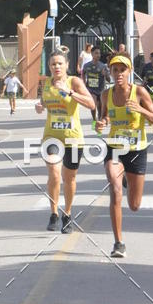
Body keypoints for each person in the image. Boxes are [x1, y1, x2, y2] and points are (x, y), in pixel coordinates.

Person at [96, 53, 153, 258]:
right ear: (111, 73)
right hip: (115, 147)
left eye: (122, 70)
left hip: (137, 150)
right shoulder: (106, 95)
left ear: (129, 71)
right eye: (115, 70)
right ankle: (118, 243)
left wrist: (141, 111)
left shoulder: (140, 92)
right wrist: (101, 123)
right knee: (115, 190)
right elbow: (104, 117)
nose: (118, 74)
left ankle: (126, 177)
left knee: (134, 205)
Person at [35, 49, 95, 232]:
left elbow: (91, 103)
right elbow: (45, 102)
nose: (56, 67)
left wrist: (69, 92)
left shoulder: (74, 82)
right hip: (51, 137)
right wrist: (39, 106)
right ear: (49, 66)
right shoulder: (46, 83)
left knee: (69, 178)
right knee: (54, 173)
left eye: (60, 63)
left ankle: (67, 213)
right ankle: (53, 213)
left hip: (73, 138)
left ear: (67, 65)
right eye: (53, 64)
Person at [82, 47, 109, 129]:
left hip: (100, 90)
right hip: (91, 89)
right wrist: (83, 82)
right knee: (93, 105)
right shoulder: (87, 65)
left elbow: (109, 79)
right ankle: (94, 120)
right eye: (96, 53)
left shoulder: (103, 66)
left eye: (99, 53)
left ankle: (99, 125)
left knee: (100, 109)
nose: (98, 55)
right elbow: (83, 73)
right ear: (92, 54)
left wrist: (105, 75)